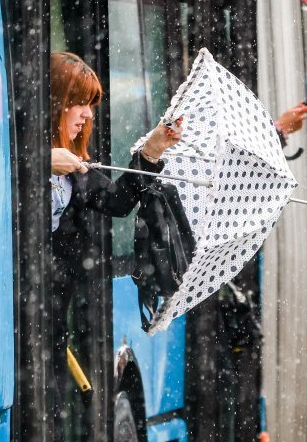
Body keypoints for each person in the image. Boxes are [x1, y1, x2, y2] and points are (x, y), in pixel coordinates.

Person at [50, 52, 182, 439]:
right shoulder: (18, 154)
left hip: (54, 320)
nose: (88, 116)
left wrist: (152, 150)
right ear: (55, 101)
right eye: (80, 103)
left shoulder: (76, 168)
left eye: (92, 107)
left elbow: (118, 202)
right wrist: (38, 163)